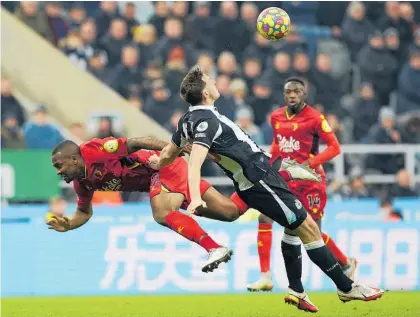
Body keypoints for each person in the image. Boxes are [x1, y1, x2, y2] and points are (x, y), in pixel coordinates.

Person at [151, 67, 384, 313]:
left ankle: (297, 290)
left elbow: (168, 153)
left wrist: (157, 163)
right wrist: (196, 197)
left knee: (293, 229)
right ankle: (346, 287)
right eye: (211, 81)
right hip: (260, 181)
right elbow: (195, 161)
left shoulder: (188, 120)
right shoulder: (206, 123)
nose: (215, 82)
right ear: (206, 93)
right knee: (307, 227)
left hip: (261, 176)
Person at [47, 135, 316, 273]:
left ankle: (214, 248)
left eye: (59, 165)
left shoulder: (94, 150)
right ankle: (281, 170)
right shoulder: (82, 182)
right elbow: (84, 211)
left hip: (161, 166)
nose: (58, 172)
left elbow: (137, 141)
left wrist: (172, 149)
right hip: (165, 178)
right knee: (230, 212)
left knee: (162, 212)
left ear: (73, 158)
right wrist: (69, 225)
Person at [247, 77, 357, 298]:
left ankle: (346, 263)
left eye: (297, 91)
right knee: (264, 217)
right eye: (288, 91)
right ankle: (265, 276)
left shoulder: (316, 118)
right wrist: (268, 165)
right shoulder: (276, 117)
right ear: (284, 94)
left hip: (312, 182)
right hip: (287, 180)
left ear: (304, 94)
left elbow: (335, 148)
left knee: (313, 232)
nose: (292, 95)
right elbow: (279, 143)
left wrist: (309, 163)